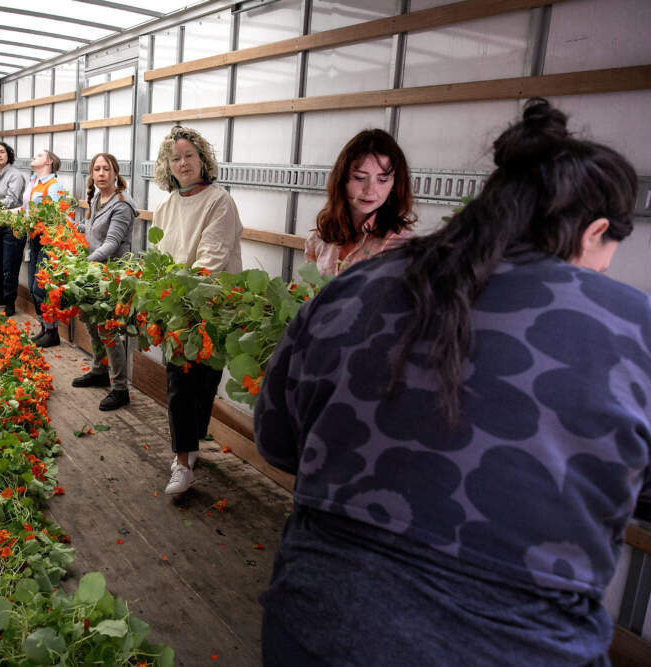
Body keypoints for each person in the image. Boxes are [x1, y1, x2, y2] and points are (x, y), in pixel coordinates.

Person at [255, 99, 649, 666]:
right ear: (594, 234)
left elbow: (276, 442)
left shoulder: (356, 287)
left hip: (315, 626)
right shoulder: (631, 326)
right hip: (517, 646)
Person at [154, 125, 243, 495]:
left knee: (204, 383)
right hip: (177, 307)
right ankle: (183, 461)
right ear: (168, 166)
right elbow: (157, 259)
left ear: (203, 159)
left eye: (189, 155)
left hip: (213, 305)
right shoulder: (165, 206)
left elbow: (212, 260)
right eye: (176, 157)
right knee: (178, 383)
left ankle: (190, 448)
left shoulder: (219, 201)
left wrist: (178, 291)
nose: (183, 162)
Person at [71, 153, 138, 411]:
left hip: (111, 274)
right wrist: (73, 227)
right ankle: (99, 370)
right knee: (91, 320)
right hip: (94, 271)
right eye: (96, 169)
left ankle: (120, 388)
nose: (101, 173)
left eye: (106, 169)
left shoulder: (122, 205)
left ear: (115, 173)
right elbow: (91, 228)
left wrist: (84, 265)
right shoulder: (98, 196)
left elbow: (111, 244)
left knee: (108, 329)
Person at [303, 128, 415, 275]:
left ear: (394, 185)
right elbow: (309, 295)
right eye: (360, 178)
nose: (370, 190)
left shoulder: (401, 244)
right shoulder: (319, 237)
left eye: (382, 180)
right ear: (342, 179)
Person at [21, 149, 68, 348]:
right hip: (34, 240)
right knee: (33, 285)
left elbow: (59, 215)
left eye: (39, 156)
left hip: (47, 240)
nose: (34, 156)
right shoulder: (34, 183)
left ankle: (52, 331)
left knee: (41, 287)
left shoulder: (54, 185)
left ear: (49, 162)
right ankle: (45, 328)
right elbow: (28, 211)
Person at [0, 141, 26, 316]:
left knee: (10, 265)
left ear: (8, 154)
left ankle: (10, 302)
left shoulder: (15, 175)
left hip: (12, 223)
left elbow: (11, 199)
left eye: (2, 152)